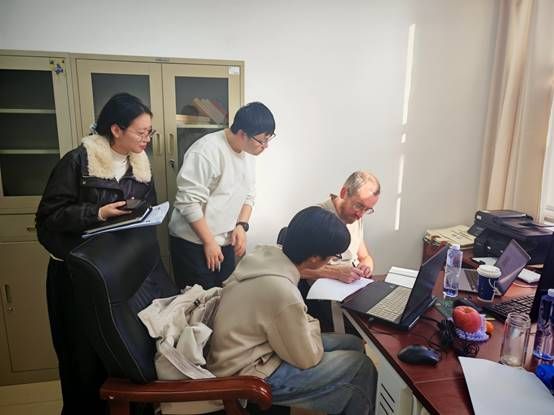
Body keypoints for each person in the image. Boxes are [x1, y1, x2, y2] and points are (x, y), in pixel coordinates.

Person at [35, 93, 157, 414]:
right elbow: (48, 219)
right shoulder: (78, 161)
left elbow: (145, 214)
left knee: (120, 355)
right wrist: (98, 213)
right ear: (116, 129)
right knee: (82, 359)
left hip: (118, 275)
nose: (147, 139)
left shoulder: (141, 167)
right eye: (141, 132)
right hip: (77, 277)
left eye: (150, 132)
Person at [208, 206, 377, 415]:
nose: (332, 262)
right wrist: (310, 322)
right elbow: (308, 358)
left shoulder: (263, 256)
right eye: (332, 257)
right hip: (247, 372)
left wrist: (304, 322)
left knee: (352, 343)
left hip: (243, 350)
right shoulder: (282, 292)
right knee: (360, 366)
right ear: (315, 258)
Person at [169, 101, 275, 289]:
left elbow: (249, 194)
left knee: (224, 294)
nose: (266, 146)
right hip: (193, 241)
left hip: (223, 239)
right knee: (196, 300)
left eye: (269, 139)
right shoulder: (206, 151)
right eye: (262, 140)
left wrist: (241, 225)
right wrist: (209, 242)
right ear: (242, 134)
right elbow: (188, 203)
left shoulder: (248, 152)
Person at [300, 171, 381, 331]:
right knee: (370, 330)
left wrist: (366, 266)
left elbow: (365, 256)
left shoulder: (355, 217)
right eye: (359, 205)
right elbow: (296, 269)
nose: (360, 214)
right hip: (327, 299)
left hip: (353, 288)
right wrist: (336, 272)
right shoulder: (317, 218)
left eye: (367, 209)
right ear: (344, 192)